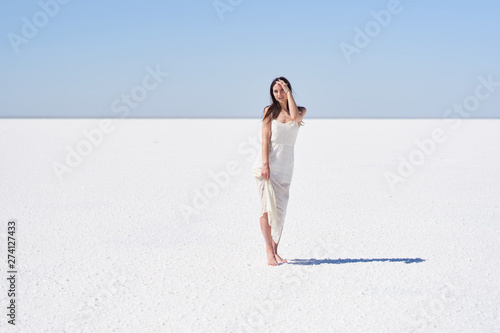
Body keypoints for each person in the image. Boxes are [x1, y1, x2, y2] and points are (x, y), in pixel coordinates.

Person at [252, 76, 307, 266]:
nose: (279, 94)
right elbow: (265, 140)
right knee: (267, 208)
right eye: (275, 91)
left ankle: (276, 251)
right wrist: (265, 164)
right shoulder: (269, 111)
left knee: (280, 211)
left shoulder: (299, 111)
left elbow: (293, 117)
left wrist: (288, 93)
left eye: (282, 90)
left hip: (286, 165)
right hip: (268, 163)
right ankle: (269, 251)